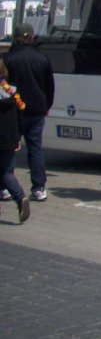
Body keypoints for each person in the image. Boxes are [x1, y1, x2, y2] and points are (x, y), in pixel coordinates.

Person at [1, 23, 54, 202]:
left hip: (13, 110)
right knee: (35, 148)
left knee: (9, 148)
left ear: (15, 37)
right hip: (37, 109)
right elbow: (49, 86)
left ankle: (5, 188)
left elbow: (4, 86)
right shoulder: (42, 58)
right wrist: (47, 105)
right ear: (32, 37)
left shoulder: (8, 58)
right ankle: (39, 188)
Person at [0, 59, 31, 223]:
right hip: (10, 137)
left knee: (3, 172)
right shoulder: (13, 92)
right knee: (5, 171)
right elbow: (20, 117)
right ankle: (20, 197)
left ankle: (19, 197)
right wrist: (18, 137)